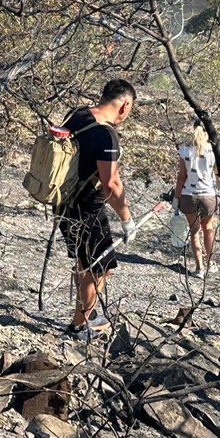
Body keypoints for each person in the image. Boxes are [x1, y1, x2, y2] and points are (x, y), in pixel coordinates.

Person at [59, 78, 138, 338]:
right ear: (124, 105)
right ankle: (79, 326)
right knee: (102, 268)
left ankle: (86, 314)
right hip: (88, 210)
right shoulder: (106, 135)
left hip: (64, 202)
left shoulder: (78, 115)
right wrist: (127, 219)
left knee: (84, 263)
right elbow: (111, 182)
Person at [174, 119, 220, 275]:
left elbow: (182, 176)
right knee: (208, 227)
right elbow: (218, 174)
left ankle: (199, 268)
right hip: (209, 195)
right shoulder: (214, 150)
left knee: (194, 231)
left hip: (189, 195)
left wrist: (176, 197)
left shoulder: (185, 150)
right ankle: (211, 262)